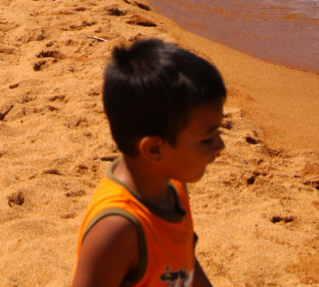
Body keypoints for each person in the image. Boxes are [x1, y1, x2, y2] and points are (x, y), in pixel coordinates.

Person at [73, 39, 225, 287]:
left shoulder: (172, 186)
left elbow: (185, 265)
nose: (220, 146)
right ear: (154, 149)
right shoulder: (116, 228)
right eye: (207, 138)